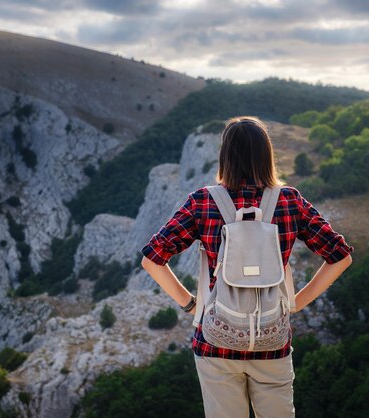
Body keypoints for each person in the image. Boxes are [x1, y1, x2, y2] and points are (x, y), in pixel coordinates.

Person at [140, 116, 353, 418]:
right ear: (267, 156)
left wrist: (191, 305)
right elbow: (340, 256)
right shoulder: (289, 201)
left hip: (216, 343)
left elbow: (152, 259)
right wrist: (296, 303)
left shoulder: (203, 202)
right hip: (272, 342)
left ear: (225, 156)